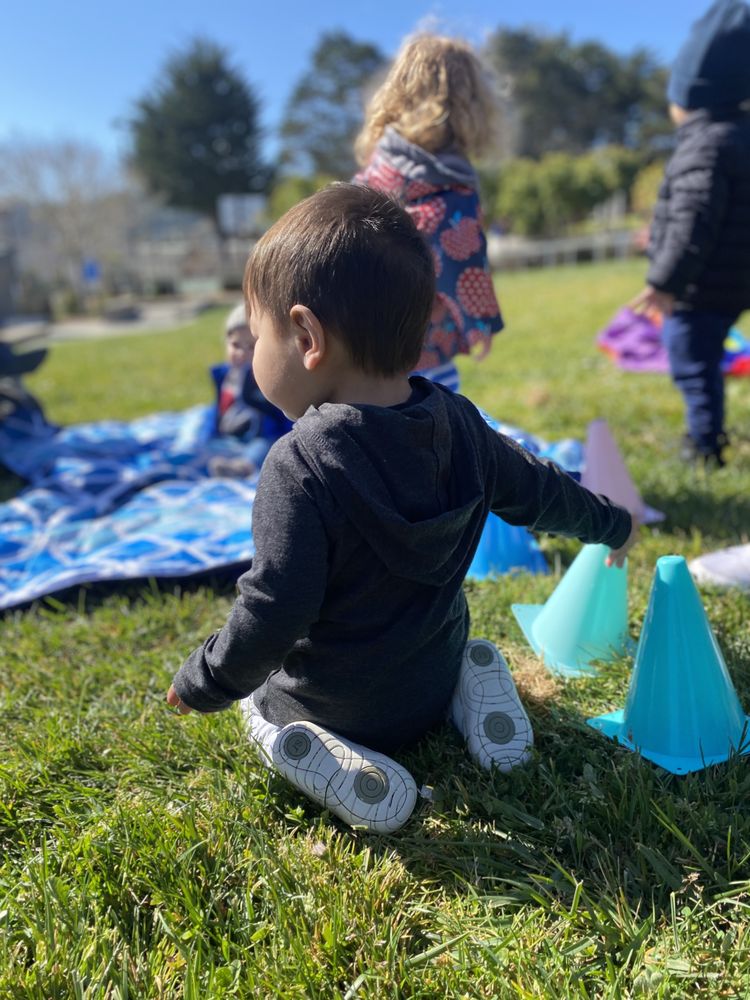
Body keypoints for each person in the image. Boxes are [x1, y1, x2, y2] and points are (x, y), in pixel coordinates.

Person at [166, 184, 637, 834]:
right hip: (430, 674)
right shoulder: (462, 424)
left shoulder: (299, 465)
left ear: (305, 335)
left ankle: (319, 750)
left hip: (338, 704)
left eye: (256, 333)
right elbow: (538, 491)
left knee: (263, 702)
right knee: (452, 647)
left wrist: (207, 679)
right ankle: (466, 689)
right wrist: (609, 521)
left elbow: (274, 613)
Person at [632, 0, 750, 467]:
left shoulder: (703, 145)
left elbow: (692, 219)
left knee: (693, 363)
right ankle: (708, 434)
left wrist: (666, 281)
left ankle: (704, 446)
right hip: (735, 278)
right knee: (705, 358)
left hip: (699, 287)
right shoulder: (738, 137)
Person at [354, 34, 502, 393]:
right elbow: (459, 258)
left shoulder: (378, 167)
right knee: (431, 425)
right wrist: (479, 323)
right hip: (423, 346)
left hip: (362, 338)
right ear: (471, 106)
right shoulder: (450, 184)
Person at [207, 303, 291, 476]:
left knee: (261, 448)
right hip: (229, 437)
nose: (242, 353)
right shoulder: (225, 376)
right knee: (207, 444)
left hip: (260, 436)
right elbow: (220, 407)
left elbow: (283, 413)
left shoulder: (268, 377)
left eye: (250, 347)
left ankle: (242, 468)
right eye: (236, 345)